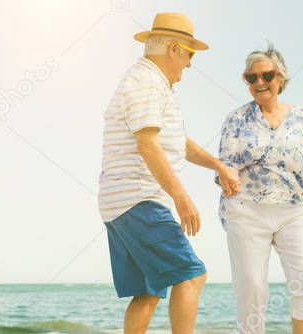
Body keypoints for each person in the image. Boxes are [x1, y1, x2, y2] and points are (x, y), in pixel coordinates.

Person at [97, 13, 240, 334]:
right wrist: (182, 198)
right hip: (139, 199)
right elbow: (147, 145)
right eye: (190, 54)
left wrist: (218, 166)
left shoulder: (152, 83)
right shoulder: (146, 83)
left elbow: (177, 143)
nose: (190, 63)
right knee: (192, 275)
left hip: (122, 203)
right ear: (174, 49)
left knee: (148, 291)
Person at [218, 44, 303, 334]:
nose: (259, 83)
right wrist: (226, 176)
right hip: (246, 209)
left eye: (266, 76)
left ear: (280, 77)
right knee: (252, 289)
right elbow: (226, 161)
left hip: (293, 209)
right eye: (251, 77)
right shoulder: (236, 119)